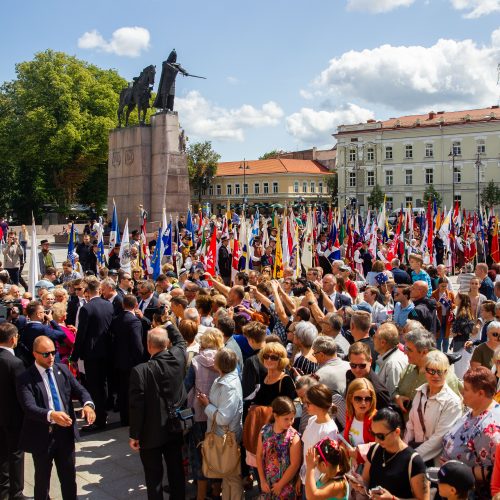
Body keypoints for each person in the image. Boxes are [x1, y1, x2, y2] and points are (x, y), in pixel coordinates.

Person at [16, 336, 95, 500]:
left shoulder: (62, 370)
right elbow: (29, 407)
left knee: (68, 478)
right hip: (42, 437)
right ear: (35, 354)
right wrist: (51, 415)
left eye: (53, 352)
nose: (51, 357)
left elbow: (81, 390)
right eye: (46, 354)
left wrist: (88, 405)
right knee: (42, 481)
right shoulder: (25, 378)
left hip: (64, 435)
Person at [129, 326, 187, 500]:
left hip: (150, 432)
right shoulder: (178, 358)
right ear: (167, 343)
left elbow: (136, 407)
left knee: (153, 477)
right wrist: (168, 323)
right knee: (176, 470)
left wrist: (134, 435)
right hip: (175, 427)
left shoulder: (140, 371)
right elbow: (181, 341)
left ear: (148, 345)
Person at [441, 367, 500, 499]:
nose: (462, 392)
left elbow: (492, 472)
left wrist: (456, 472)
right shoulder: (474, 409)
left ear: (480, 393)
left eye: (466, 389)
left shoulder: (490, 429)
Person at [350, 406, 429, 500]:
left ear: (397, 432)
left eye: (380, 436)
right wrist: (361, 486)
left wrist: (392, 499)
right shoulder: (374, 450)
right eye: (373, 434)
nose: (376, 440)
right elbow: (366, 481)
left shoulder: (414, 461)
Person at [197, 348, 244, 500]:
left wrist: (206, 405)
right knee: (227, 475)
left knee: (232, 476)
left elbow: (224, 418)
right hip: (222, 435)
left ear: (219, 364)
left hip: (226, 436)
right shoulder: (223, 379)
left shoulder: (228, 386)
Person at [404, 350, 462, 466]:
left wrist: (412, 456)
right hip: (413, 456)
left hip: (434, 462)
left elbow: (439, 438)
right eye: (431, 371)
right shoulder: (420, 393)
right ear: (425, 371)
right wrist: (404, 450)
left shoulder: (452, 402)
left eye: (440, 371)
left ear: (446, 372)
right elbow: (411, 425)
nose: (436, 375)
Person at [184, 329, 224, 500]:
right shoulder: (224, 360)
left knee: (198, 454)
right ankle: (216, 491)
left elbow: (186, 387)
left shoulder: (195, 361)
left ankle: (200, 495)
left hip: (199, 413)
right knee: (216, 453)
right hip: (218, 414)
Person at [71, 279, 114, 430]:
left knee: (95, 386)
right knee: (104, 384)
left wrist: (74, 356)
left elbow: (81, 335)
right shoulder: (109, 305)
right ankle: (103, 413)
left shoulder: (87, 308)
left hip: (92, 354)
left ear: (87, 292)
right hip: (107, 352)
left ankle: (99, 418)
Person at [394, 327, 463, 416]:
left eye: (409, 350)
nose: (405, 352)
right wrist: (397, 397)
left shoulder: (444, 377)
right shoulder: (409, 368)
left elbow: (454, 411)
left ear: (424, 352)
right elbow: (397, 390)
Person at [256, 396, 301, 499]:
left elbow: (295, 464)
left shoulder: (294, 437)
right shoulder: (264, 431)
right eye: (286, 419)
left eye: (292, 418)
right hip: (268, 484)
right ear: (275, 416)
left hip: (286, 487)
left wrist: (280, 485)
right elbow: (259, 455)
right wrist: (262, 480)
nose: (290, 422)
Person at [0, 323, 26, 500]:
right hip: (12, 417)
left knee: (2, 455)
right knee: (16, 455)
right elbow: (22, 393)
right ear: (13, 339)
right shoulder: (15, 363)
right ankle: (16, 493)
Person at [110, 294, 144, 426]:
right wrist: (140, 360)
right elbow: (137, 344)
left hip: (119, 361)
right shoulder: (134, 321)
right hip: (132, 363)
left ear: (123, 305)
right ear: (136, 305)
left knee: (122, 391)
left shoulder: (117, 319)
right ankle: (132, 418)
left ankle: (124, 418)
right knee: (132, 392)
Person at [300, 384, 339, 492]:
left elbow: (329, 464)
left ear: (319, 404)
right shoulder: (311, 420)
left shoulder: (329, 431)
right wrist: (301, 477)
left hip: (317, 484)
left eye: (308, 403)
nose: (305, 405)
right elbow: (306, 451)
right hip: (306, 478)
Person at [16, 300, 66, 367]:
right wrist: (51, 320)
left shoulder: (24, 328)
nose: (45, 314)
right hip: (48, 363)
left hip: (32, 363)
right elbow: (62, 334)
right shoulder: (43, 329)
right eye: (43, 312)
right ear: (38, 314)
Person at [346, 342, 391, 410]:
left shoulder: (378, 390)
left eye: (362, 366)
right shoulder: (350, 375)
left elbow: (384, 417)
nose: (357, 370)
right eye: (353, 365)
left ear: (370, 361)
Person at [344, 377, 376, 460]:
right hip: (352, 467)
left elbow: (378, 448)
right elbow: (346, 440)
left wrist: (358, 454)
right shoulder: (349, 414)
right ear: (351, 398)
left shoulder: (376, 419)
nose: (363, 403)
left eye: (368, 399)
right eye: (358, 398)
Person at [373, 322, 408, 397]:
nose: (373, 339)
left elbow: (390, 396)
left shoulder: (393, 365)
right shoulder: (390, 358)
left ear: (383, 342)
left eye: (374, 337)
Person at [450, 293, 475, 379]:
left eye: (457, 297)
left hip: (462, 346)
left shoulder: (463, 313)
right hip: (461, 345)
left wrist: (455, 332)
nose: (455, 298)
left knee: (460, 374)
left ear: (461, 300)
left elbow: (465, 329)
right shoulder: (462, 312)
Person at [432, 277, 455, 352]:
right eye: (442, 286)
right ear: (438, 285)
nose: (444, 288)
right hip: (438, 318)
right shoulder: (434, 294)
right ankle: (439, 355)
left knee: (446, 338)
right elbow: (431, 306)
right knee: (439, 338)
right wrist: (437, 304)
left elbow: (454, 305)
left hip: (447, 318)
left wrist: (450, 304)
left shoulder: (450, 294)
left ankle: (446, 355)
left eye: (445, 286)